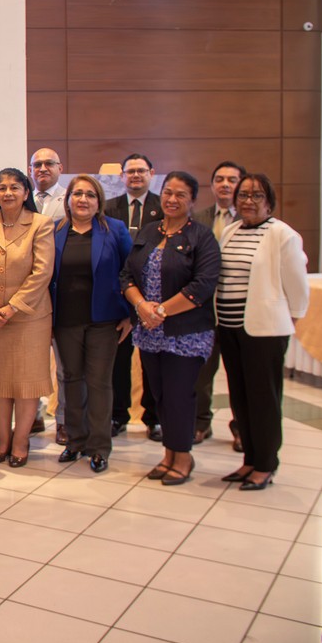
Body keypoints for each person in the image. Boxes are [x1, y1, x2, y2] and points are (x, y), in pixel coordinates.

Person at [120, 171, 220, 487]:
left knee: (179, 395)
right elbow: (127, 276)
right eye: (168, 193)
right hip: (149, 332)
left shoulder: (201, 237)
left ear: (192, 200)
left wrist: (160, 311)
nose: (172, 199)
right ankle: (169, 454)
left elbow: (203, 285)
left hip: (185, 333)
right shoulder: (149, 231)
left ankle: (183, 457)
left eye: (180, 195)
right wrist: (141, 306)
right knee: (159, 395)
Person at [216, 173, 309, 491]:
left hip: (264, 331)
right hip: (229, 328)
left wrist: (291, 319)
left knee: (263, 399)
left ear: (269, 201)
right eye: (243, 195)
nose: (248, 201)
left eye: (257, 196)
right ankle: (250, 460)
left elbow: (297, 284)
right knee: (240, 397)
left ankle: (266, 464)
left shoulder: (282, 234)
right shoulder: (230, 231)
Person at [0, 168, 55, 468]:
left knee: (26, 383)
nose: (8, 193)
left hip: (29, 318)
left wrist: (13, 307)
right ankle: (3, 440)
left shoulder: (40, 224)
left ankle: (21, 441)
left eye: (15, 187)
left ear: (26, 192)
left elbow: (42, 272)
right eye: (2, 187)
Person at [50, 175, 132, 474]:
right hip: (65, 321)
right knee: (72, 380)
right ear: (68, 199)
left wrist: (130, 315)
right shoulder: (55, 231)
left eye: (90, 195)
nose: (83, 199)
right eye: (77, 194)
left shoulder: (115, 230)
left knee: (98, 382)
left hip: (104, 321)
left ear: (99, 201)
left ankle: (98, 447)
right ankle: (76, 440)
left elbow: (131, 272)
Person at [105, 153, 163, 440]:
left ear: (151, 173)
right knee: (119, 361)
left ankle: (154, 417)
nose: (136, 175)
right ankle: (118, 415)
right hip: (119, 296)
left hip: (155, 297)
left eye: (141, 170)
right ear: (122, 176)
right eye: (131, 171)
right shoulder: (108, 208)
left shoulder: (163, 207)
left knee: (153, 360)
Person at [192, 161, 246, 448]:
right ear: (212, 186)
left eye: (232, 180)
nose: (225, 184)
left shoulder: (251, 219)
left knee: (241, 373)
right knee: (202, 372)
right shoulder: (198, 217)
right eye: (220, 179)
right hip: (204, 310)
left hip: (240, 310)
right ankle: (201, 423)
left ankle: (241, 427)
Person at [30, 147, 67, 443]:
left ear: (59, 168)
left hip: (61, 290)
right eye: (37, 164)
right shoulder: (22, 199)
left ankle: (64, 419)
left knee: (63, 363)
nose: (43, 168)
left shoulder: (70, 199)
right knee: (32, 361)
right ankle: (34, 414)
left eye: (49, 164)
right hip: (30, 292)